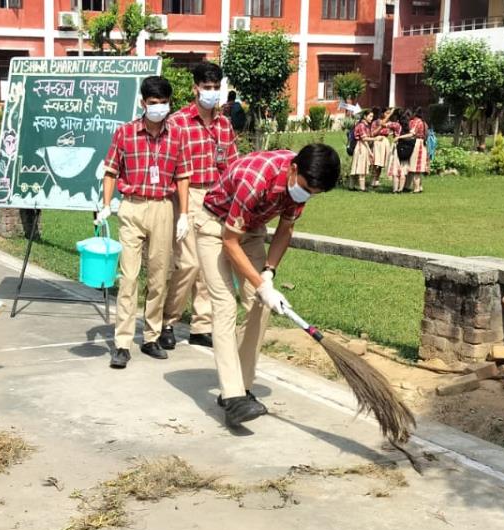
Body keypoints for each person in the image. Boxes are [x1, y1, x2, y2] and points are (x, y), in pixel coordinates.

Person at [195, 144, 340, 427]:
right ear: (294, 169)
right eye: (307, 189)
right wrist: (260, 284)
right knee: (224, 307)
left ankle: (243, 386)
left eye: (314, 194)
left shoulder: (302, 184)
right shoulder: (256, 178)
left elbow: (286, 228)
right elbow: (228, 241)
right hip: (214, 228)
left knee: (260, 307)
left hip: (249, 231)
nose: (307, 196)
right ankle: (233, 396)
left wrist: (269, 274)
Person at [100, 75, 191, 369]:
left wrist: (184, 214)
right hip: (133, 207)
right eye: (153, 103)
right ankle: (123, 343)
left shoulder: (177, 136)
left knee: (158, 275)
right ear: (143, 103)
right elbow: (111, 170)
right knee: (128, 278)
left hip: (163, 208)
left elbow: (182, 177)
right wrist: (105, 205)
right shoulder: (125, 134)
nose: (159, 108)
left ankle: (151, 336)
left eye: (164, 103)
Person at [163, 61, 237, 352]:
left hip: (216, 196)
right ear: (195, 88)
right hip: (186, 194)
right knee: (187, 263)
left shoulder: (224, 125)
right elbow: (167, 162)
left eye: (215, 88)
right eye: (206, 87)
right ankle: (168, 321)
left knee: (211, 265)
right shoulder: (178, 122)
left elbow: (231, 163)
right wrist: (178, 206)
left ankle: (201, 326)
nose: (211, 93)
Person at [404, 108, 430, 194]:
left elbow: (412, 133)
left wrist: (400, 137)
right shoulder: (424, 123)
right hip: (423, 144)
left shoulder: (415, 122)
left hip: (416, 143)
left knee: (415, 167)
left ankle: (415, 188)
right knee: (419, 167)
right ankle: (419, 186)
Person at [349, 109, 374, 191]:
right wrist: (376, 139)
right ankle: (362, 188)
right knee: (360, 167)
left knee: (357, 166)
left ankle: (351, 186)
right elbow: (364, 138)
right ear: (365, 116)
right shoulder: (362, 125)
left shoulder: (365, 125)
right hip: (360, 147)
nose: (371, 118)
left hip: (363, 146)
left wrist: (369, 151)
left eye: (372, 116)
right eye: (370, 116)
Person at [368, 107, 388, 189]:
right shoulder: (375, 122)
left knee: (380, 164)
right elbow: (372, 133)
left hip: (384, 143)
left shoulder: (386, 122)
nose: (387, 115)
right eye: (387, 113)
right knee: (376, 162)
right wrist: (381, 127)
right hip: (377, 142)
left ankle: (377, 180)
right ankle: (372, 180)